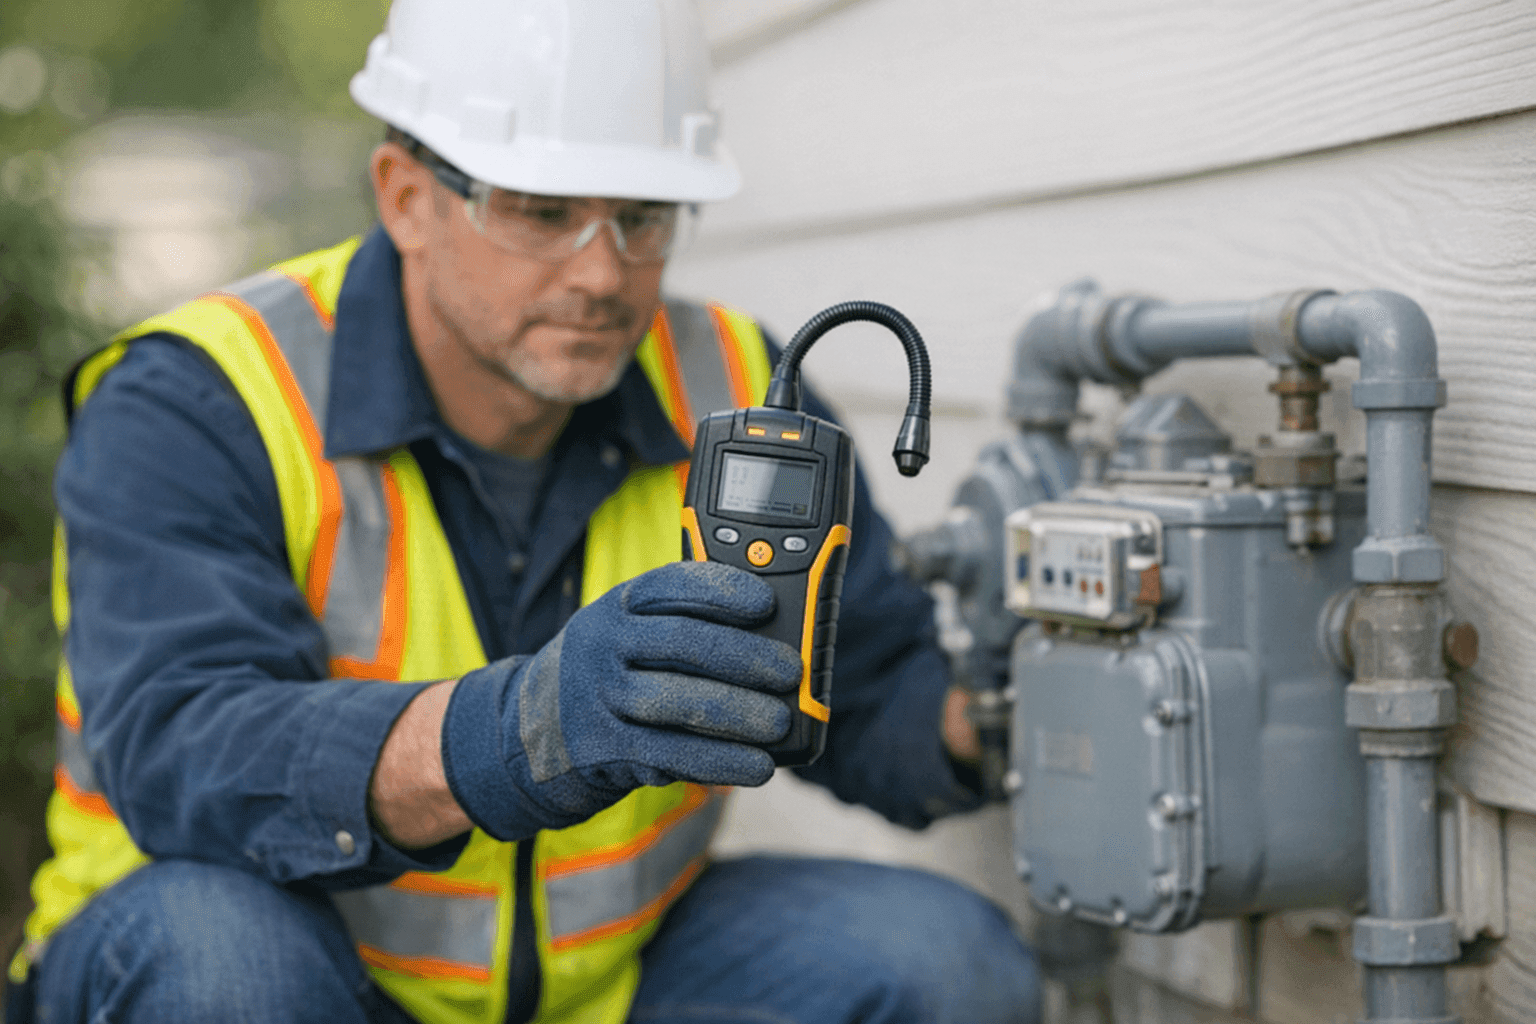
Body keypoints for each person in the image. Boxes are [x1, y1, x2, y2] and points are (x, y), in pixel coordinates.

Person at [5, 1, 1042, 1021]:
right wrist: (523, 729)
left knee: (945, 959)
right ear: (405, 195)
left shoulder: (730, 380)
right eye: (542, 210)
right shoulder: (201, 397)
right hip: (288, 962)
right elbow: (188, 744)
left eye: (641, 216)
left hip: (607, 981)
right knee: (224, 965)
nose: (601, 272)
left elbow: (857, 690)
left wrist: (1016, 704)